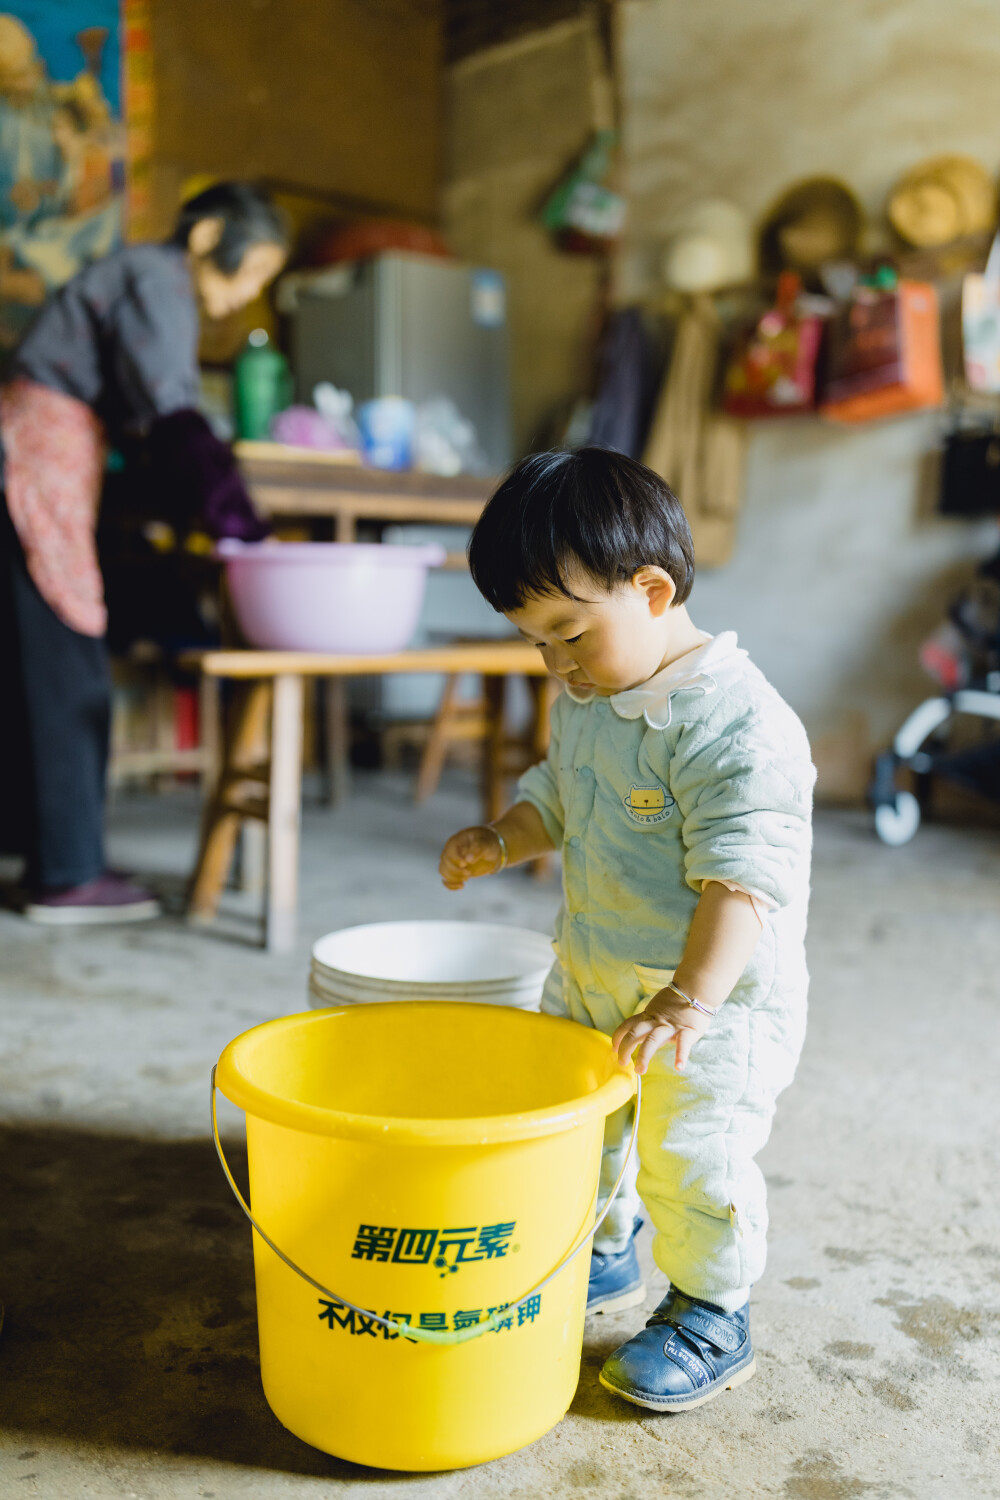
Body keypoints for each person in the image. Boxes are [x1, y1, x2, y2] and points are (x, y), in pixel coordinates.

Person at [439, 447, 814, 1412]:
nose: (558, 665)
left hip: (710, 1003)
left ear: (651, 589)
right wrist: (502, 837)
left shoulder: (740, 726)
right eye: (538, 644)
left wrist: (688, 1000)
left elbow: (743, 883)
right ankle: (603, 1252)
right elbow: (555, 799)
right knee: (583, 1127)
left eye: (569, 632)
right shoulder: (593, 701)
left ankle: (711, 1309)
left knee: (693, 1155)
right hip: (594, 970)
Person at [0, 181, 289, 922]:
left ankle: (39, 851)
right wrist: (240, 524)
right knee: (69, 662)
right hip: (37, 451)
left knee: (27, 659)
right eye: (245, 274)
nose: (239, 299)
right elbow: (173, 414)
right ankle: (66, 874)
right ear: (205, 237)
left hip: (37, 446)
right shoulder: (159, 278)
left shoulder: (137, 280)